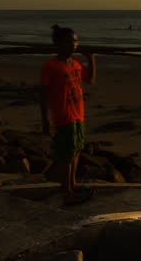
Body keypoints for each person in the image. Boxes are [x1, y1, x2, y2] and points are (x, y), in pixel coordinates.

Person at [40, 24, 96, 205]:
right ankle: (67, 192)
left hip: (78, 114)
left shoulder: (76, 64)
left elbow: (90, 80)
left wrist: (91, 60)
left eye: (75, 41)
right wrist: (46, 120)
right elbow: (43, 95)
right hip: (64, 116)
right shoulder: (51, 66)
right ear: (58, 44)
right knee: (67, 155)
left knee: (77, 150)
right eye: (69, 41)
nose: (74, 45)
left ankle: (72, 184)